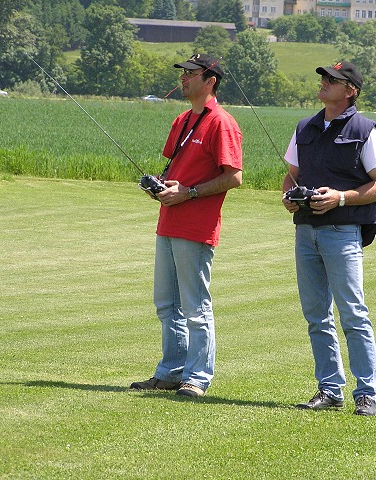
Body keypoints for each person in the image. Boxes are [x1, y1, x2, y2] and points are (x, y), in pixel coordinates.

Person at [281, 61, 376, 416]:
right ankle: (330, 389)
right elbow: (291, 175)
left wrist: (341, 197)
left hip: (343, 231)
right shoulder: (305, 127)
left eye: (334, 80)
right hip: (306, 231)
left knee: (353, 313)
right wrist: (288, 195)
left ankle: (366, 392)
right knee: (316, 315)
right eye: (324, 78)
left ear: (350, 91)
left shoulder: (365, 130)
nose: (325, 83)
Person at [131, 53, 243, 397]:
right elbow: (174, 171)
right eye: (183, 73)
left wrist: (190, 193)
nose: (184, 78)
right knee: (166, 304)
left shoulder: (223, 123)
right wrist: (161, 187)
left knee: (195, 306)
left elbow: (234, 177)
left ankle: (198, 377)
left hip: (196, 227)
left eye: (191, 74)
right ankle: (170, 371)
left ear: (210, 81)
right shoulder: (181, 120)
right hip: (168, 222)